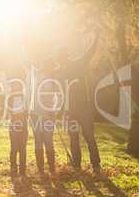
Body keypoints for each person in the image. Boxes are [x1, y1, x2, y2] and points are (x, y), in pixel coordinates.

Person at [55, 28, 101, 174]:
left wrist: (96, 38)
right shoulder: (61, 72)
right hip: (71, 111)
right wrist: (60, 111)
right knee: (75, 138)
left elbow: (90, 52)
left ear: (65, 57)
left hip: (83, 109)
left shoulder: (78, 64)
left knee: (88, 137)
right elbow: (62, 93)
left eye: (61, 58)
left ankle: (96, 166)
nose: (60, 61)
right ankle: (77, 165)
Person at [29, 62, 58, 176]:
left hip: (47, 116)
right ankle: (41, 169)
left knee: (48, 140)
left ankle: (51, 167)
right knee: (39, 141)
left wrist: (53, 111)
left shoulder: (52, 82)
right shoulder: (36, 77)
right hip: (36, 114)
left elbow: (55, 98)